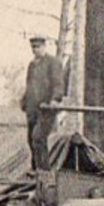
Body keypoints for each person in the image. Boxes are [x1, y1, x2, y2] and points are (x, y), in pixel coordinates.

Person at [19, 35, 66, 171]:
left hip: (46, 109)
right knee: (30, 139)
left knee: (38, 136)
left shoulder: (53, 62)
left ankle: (44, 172)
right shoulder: (32, 65)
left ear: (44, 47)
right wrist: (24, 101)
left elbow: (58, 84)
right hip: (32, 109)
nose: (35, 50)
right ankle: (36, 170)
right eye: (33, 47)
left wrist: (55, 99)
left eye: (38, 47)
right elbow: (30, 85)